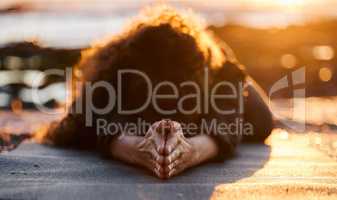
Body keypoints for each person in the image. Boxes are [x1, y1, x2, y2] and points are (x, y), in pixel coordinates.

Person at [36, 6, 273, 179]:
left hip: (213, 69)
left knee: (259, 122)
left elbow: (226, 120)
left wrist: (192, 151)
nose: (168, 115)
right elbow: (80, 123)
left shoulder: (217, 71)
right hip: (134, 70)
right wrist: (135, 147)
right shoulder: (115, 71)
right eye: (156, 104)